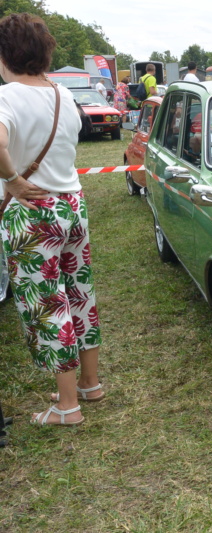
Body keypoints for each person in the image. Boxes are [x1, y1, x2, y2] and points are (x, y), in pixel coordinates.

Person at [0, 13, 105, 427]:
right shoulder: (63, 94)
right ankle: (90, 385)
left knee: (49, 304)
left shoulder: (7, 97)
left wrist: (13, 179)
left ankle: (67, 407)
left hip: (34, 213)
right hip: (72, 205)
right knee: (80, 293)